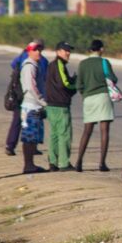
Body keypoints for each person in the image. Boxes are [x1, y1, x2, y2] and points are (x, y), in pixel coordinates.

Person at [75, 39, 116, 172]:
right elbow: (112, 79)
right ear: (101, 49)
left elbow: (79, 84)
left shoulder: (82, 64)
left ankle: (79, 162)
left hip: (88, 98)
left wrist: (85, 94)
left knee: (87, 131)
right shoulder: (104, 62)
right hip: (103, 96)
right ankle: (101, 164)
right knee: (104, 131)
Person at [5, 38, 48, 156]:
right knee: (30, 123)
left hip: (20, 92)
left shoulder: (23, 56)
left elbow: (13, 65)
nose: (38, 51)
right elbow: (43, 78)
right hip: (27, 96)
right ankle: (29, 149)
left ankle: (11, 145)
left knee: (19, 120)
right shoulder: (40, 61)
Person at [44, 41, 77, 171]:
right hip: (60, 105)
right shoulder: (59, 64)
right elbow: (64, 83)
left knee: (54, 134)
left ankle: (53, 162)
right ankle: (63, 163)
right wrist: (76, 85)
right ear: (58, 52)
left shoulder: (51, 65)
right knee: (64, 134)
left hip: (51, 105)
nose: (68, 53)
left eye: (69, 50)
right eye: (65, 50)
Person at [19, 41, 47, 174]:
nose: (38, 52)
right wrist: (42, 100)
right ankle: (28, 165)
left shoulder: (35, 65)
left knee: (33, 138)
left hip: (33, 106)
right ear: (29, 51)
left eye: (40, 50)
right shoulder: (29, 66)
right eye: (35, 50)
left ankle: (30, 164)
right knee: (29, 138)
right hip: (30, 107)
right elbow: (31, 87)